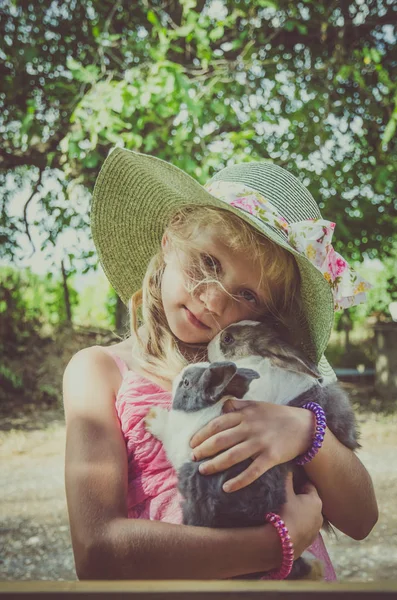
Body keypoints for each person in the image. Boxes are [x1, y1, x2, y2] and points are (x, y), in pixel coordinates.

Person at [63, 148, 378, 581]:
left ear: (265, 315)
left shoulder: (272, 380)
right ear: (171, 240)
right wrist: (277, 544)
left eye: (247, 295)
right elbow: (97, 553)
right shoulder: (99, 373)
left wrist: (308, 432)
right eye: (208, 263)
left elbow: (362, 520)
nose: (212, 301)